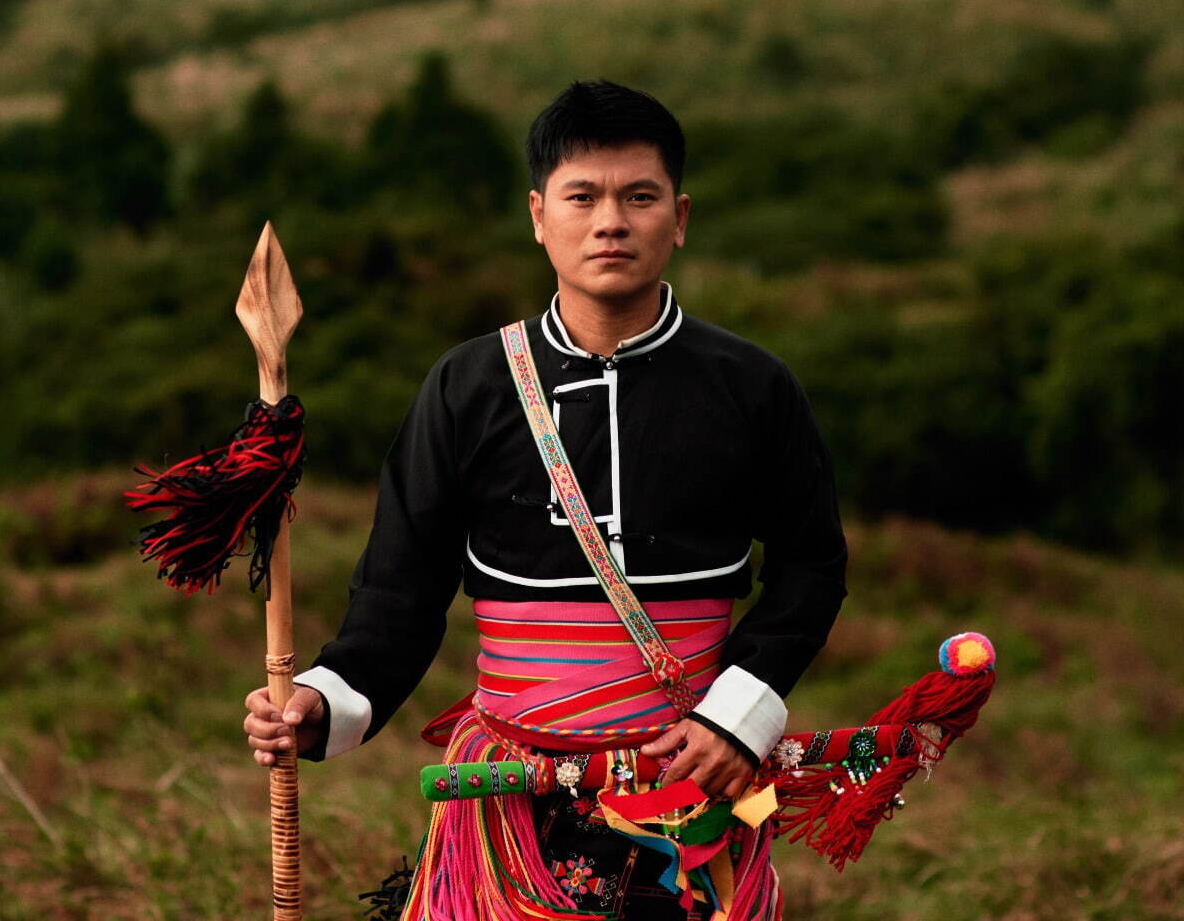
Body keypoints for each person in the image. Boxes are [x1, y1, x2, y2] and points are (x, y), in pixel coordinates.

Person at [242, 80, 848, 920]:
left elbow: (813, 566)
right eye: (583, 196)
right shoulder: (466, 387)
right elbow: (399, 598)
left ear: (679, 217)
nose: (612, 221)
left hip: (693, 794)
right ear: (538, 215)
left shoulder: (750, 387)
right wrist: (321, 701)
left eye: (641, 196)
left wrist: (737, 717)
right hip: (504, 810)